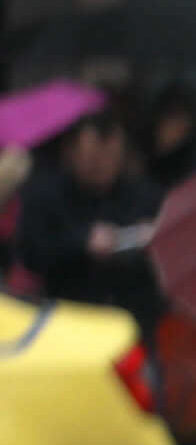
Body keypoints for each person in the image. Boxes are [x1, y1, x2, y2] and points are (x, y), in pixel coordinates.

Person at [13, 108, 164, 330]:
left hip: (134, 317)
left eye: (111, 156)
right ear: (71, 153)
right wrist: (81, 242)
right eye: (93, 158)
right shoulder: (45, 196)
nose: (103, 165)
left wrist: (153, 237)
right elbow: (31, 254)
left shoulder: (145, 195)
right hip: (71, 317)